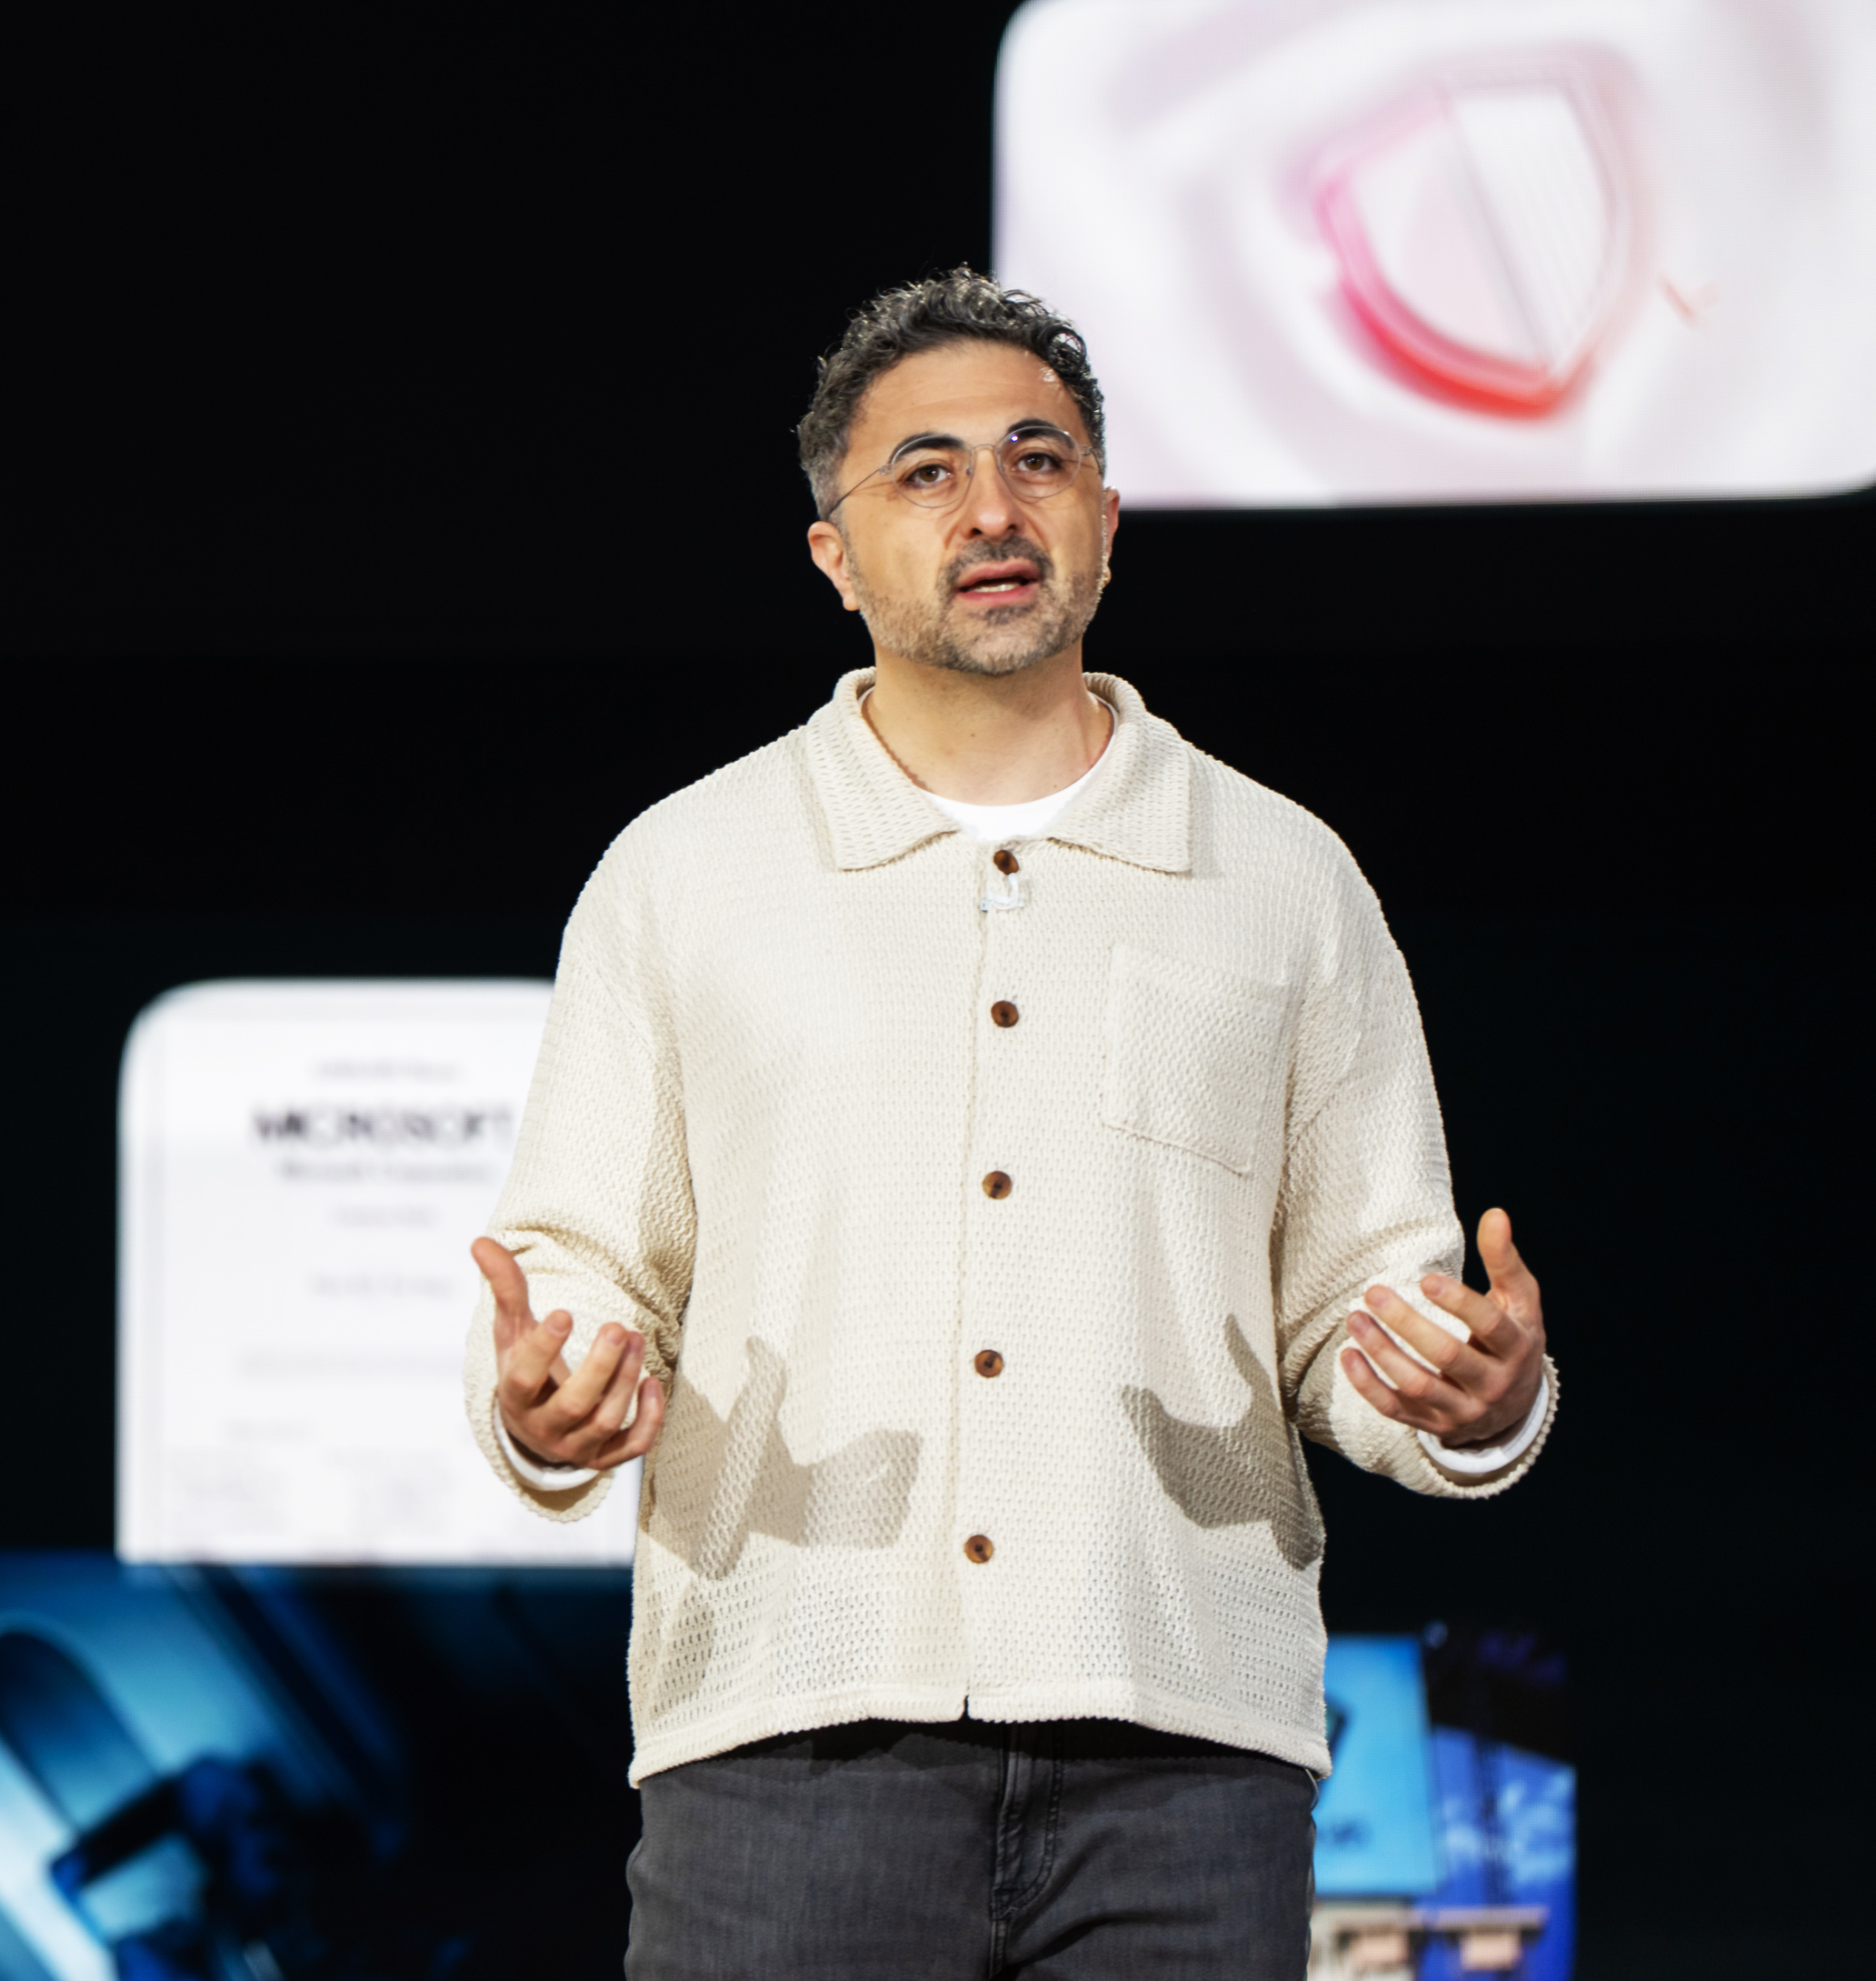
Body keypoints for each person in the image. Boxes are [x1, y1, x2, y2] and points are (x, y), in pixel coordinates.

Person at [461, 269, 1554, 1978]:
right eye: (925, 469)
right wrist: (551, 1396)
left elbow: (1370, 1311)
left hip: (1186, 1760)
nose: (991, 507)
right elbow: (582, 1266)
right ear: (833, 551)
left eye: (1038, 460)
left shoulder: (1282, 877)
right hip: (781, 1740)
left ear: (1107, 520)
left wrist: (1471, 1396)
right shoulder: (684, 872)